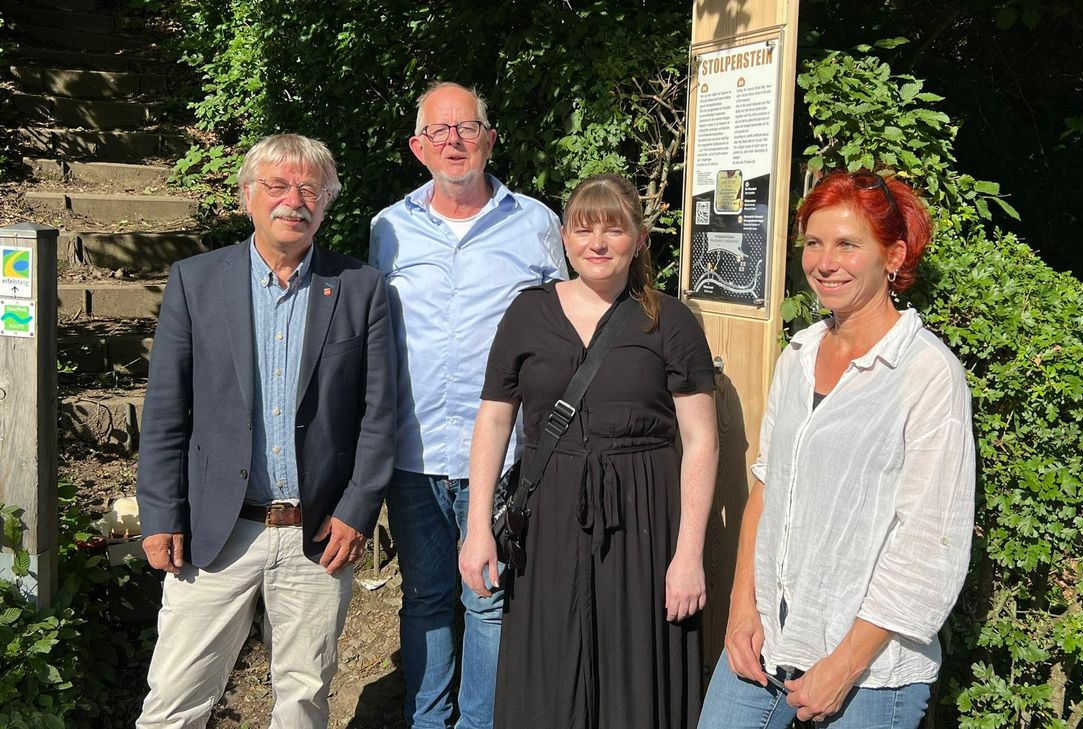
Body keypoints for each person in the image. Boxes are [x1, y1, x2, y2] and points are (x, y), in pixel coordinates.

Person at [697, 170, 976, 728]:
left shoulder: (925, 374)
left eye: (848, 244)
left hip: (868, 673)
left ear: (893, 256)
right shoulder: (797, 357)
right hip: (764, 643)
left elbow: (928, 547)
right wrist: (740, 608)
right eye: (815, 243)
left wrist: (844, 666)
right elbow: (767, 490)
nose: (826, 262)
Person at [136, 133, 396, 728]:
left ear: (327, 202)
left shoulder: (360, 288)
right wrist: (161, 512)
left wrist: (358, 508)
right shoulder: (196, 281)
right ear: (248, 195)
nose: (293, 201)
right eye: (277, 186)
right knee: (174, 699)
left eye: (310, 188)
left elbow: (380, 412)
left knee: (304, 700)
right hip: (214, 530)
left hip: (319, 534)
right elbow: (167, 410)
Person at [460, 173, 719, 729]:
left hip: (644, 518)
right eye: (583, 229)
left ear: (640, 238)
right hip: (548, 515)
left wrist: (689, 553)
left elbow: (700, 440)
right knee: (550, 667)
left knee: (636, 668)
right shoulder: (527, 313)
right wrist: (478, 525)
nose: (597, 243)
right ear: (563, 237)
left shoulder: (668, 322)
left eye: (614, 229)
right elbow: (495, 417)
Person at [368, 81, 567, 729]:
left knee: (486, 597)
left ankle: (480, 723)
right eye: (439, 131)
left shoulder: (537, 223)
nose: (454, 141)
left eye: (467, 127)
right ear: (417, 147)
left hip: (507, 457)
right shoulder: (388, 229)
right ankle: (428, 722)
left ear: (490, 138)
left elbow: (566, 331)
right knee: (425, 597)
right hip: (414, 453)